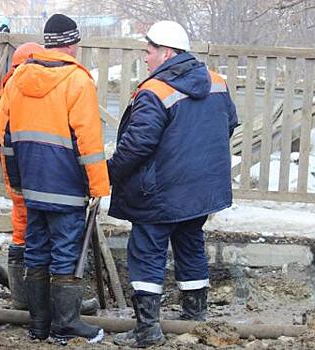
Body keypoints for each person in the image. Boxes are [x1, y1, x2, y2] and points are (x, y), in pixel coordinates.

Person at [108, 20, 238, 347]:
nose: (146, 59)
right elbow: (229, 124)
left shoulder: (155, 91)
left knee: (147, 254)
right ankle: (195, 320)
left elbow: (137, 145)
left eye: (149, 52)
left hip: (159, 194)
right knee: (190, 245)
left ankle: (147, 330)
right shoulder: (217, 82)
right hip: (199, 193)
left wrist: (109, 172)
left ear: (166, 53)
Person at [0, 14, 109, 343]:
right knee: (65, 254)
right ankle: (66, 323)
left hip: (32, 186)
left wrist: (16, 183)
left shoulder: (18, 79)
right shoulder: (78, 81)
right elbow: (89, 143)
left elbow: (7, 139)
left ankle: (39, 325)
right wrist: (99, 187)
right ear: (72, 44)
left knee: (37, 252)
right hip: (67, 188)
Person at [0, 42, 45, 310]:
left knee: (21, 228)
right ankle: (30, 299)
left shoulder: (9, 87)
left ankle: (22, 297)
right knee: (32, 229)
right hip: (26, 169)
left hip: (14, 169)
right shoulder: (22, 89)